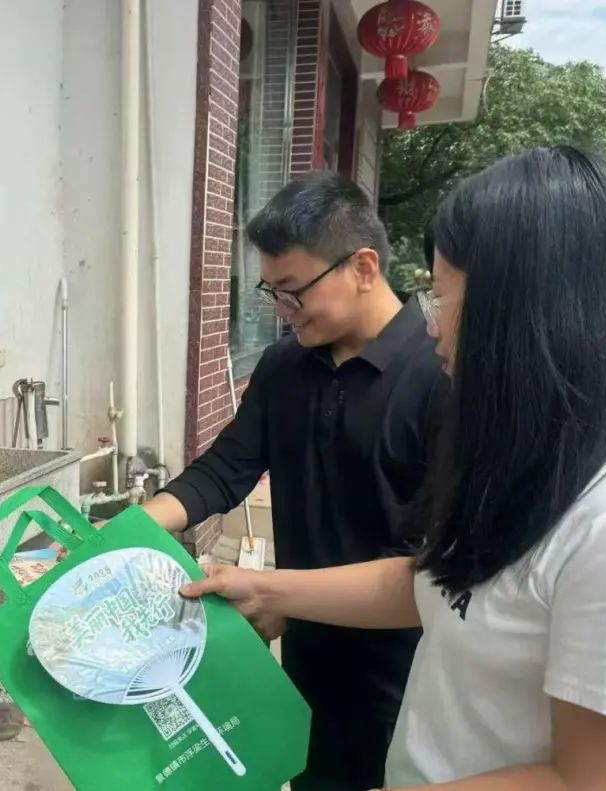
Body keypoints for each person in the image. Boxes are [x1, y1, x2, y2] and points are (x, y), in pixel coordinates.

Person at [183, 146, 606, 788]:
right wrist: (267, 589)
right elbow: (430, 582)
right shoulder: (528, 465)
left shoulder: (600, 526)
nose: (433, 329)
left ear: (525, 314)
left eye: (444, 298)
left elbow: (586, 780)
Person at [143, 171, 447, 791]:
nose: (282, 312)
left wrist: (270, 591)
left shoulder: (438, 374)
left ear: (362, 267)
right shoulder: (285, 367)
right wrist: (124, 533)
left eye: (294, 292)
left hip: (408, 674)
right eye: (272, 292)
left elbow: (437, 562)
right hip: (306, 662)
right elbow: (225, 469)